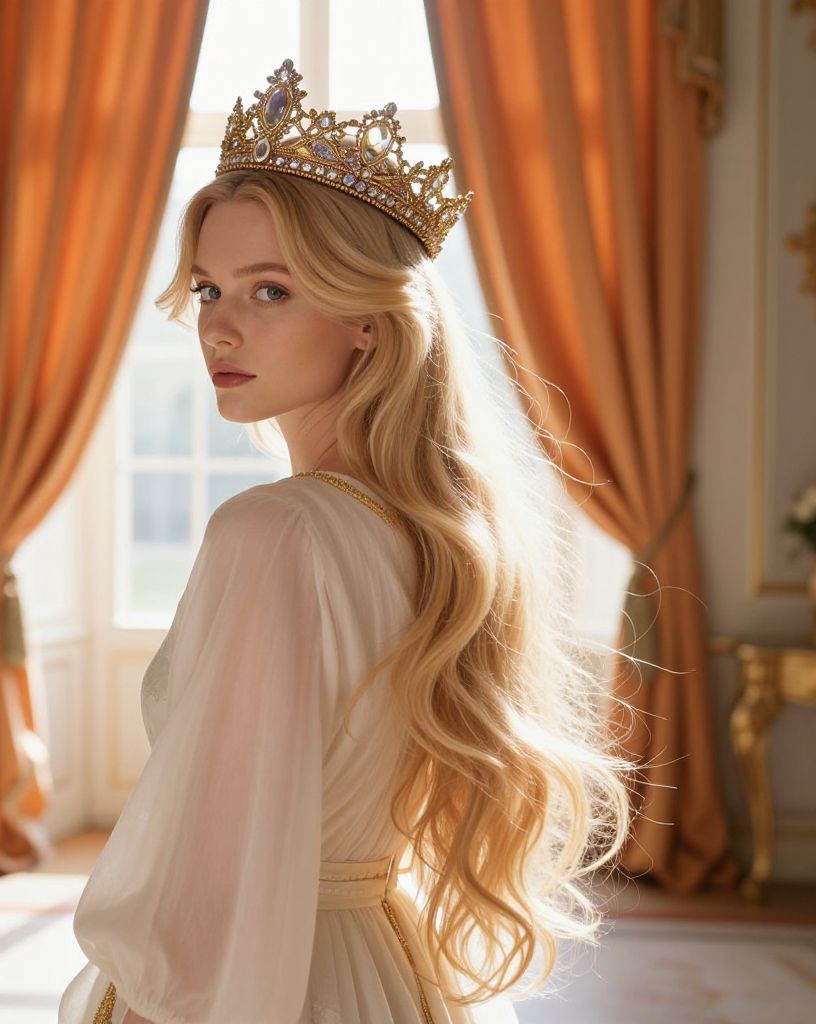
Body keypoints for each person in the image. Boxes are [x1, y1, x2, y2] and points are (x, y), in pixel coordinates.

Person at [59, 57, 633, 1024]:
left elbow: (225, 859)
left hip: (264, 975)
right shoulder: (433, 533)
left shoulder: (273, 531)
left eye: (271, 291)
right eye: (207, 290)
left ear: (368, 317)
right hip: (373, 968)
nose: (221, 328)